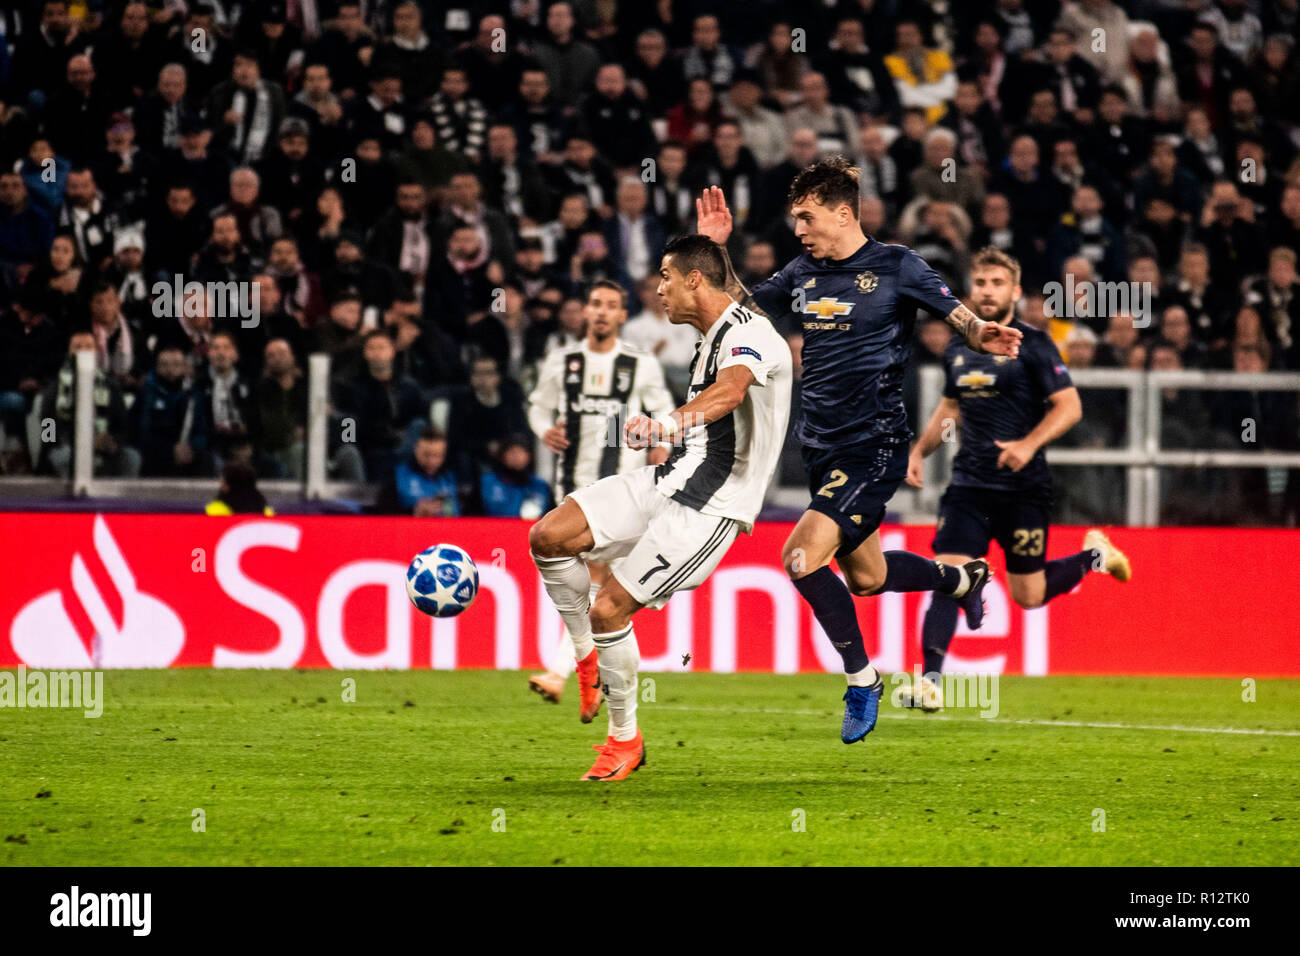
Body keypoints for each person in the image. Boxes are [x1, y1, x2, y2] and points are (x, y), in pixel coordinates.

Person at [696, 158, 1021, 744]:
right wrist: (715, 252)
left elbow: (958, 315)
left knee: (800, 559)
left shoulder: (897, 266)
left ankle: (862, 679)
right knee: (866, 578)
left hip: (875, 443)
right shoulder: (801, 272)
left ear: (843, 214)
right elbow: (736, 310)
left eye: (807, 217)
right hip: (820, 446)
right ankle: (961, 580)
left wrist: (984, 335)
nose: (798, 230)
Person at [529, 235, 792, 781]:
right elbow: (726, 291)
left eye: (666, 277)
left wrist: (666, 424)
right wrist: (716, 247)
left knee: (609, 609)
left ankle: (623, 740)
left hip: (710, 507)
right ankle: (583, 657)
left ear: (694, 280)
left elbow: (731, 392)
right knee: (549, 537)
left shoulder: (749, 335)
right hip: (669, 478)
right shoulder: (720, 328)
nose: (658, 291)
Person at [902, 248, 1132, 710]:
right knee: (950, 575)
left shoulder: (1036, 345)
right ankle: (928, 680)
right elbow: (951, 407)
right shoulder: (957, 346)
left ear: (1015, 292)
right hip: (969, 487)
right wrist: (920, 450)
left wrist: (1028, 444)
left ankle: (1093, 557)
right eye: (981, 283)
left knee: (1028, 594)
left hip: (1024, 490)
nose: (987, 291)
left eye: (996, 283)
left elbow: (1071, 407)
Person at [525, 280, 674, 713]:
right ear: (585, 312)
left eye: (612, 305)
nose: (602, 312)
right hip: (568, 488)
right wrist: (543, 430)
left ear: (623, 315)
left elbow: (663, 412)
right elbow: (538, 405)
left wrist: (660, 448)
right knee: (599, 600)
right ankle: (598, 680)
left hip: (618, 494)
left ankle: (564, 672)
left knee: (593, 586)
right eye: (595, 304)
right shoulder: (562, 361)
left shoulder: (638, 364)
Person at [206, 461, 274, 515]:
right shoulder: (267, 513)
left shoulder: (214, 511)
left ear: (227, 486)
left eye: (223, 481)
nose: (221, 485)